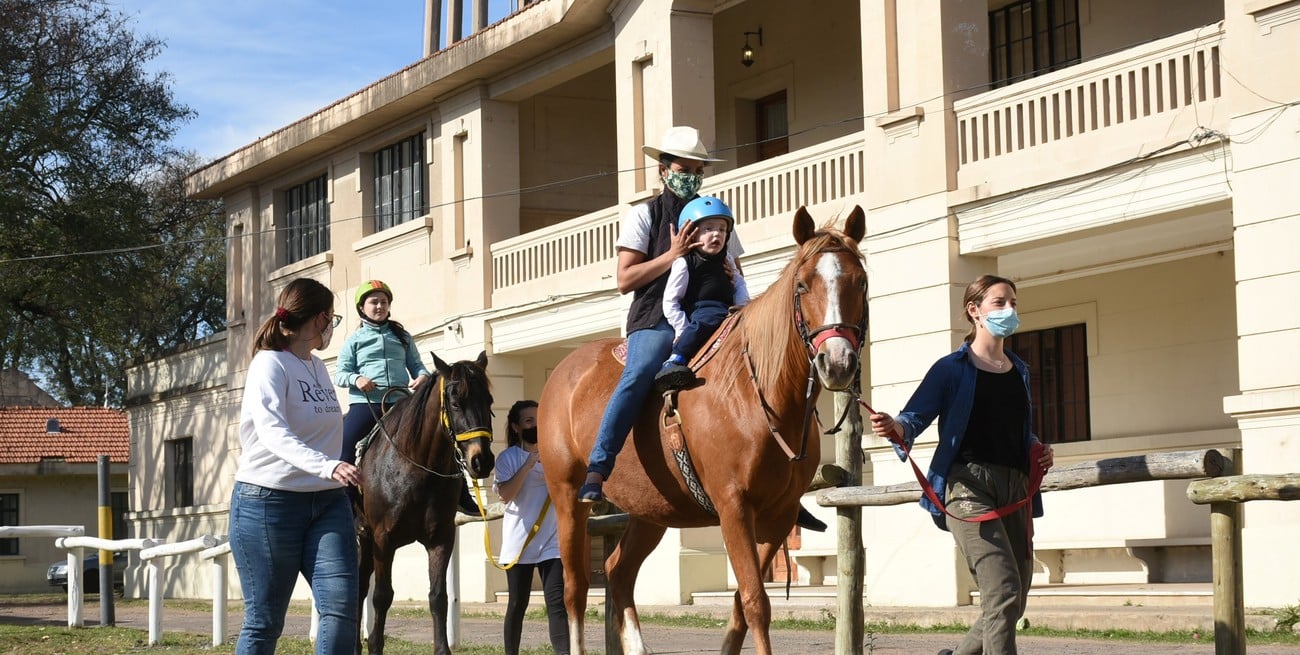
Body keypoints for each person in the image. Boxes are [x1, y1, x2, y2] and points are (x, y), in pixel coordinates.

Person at [578, 125, 826, 533]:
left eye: (698, 170)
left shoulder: (716, 216)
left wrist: (740, 300)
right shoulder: (645, 215)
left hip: (717, 316)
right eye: (683, 169)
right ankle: (599, 467)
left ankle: (787, 486)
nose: (691, 176)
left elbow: (736, 271)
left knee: (772, 370)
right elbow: (624, 279)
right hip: (659, 319)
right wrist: (672, 254)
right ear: (663, 170)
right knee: (639, 372)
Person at [868, 274, 1055, 655]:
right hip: (969, 489)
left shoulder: (1019, 369)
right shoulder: (951, 368)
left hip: (1015, 488)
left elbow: (1016, 429)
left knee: (1014, 598)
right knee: (1002, 590)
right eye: (999, 302)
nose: (1009, 310)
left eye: (1013, 303)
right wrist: (894, 427)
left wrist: (1037, 447)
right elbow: (913, 418)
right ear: (974, 310)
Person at [229, 277, 360, 655]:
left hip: (328, 502)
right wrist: (327, 466)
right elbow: (273, 431)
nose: (332, 327)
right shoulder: (268, 364)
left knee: (341, 609)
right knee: (265, 621)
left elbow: (322, 427)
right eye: (332, 318)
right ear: (320, 319)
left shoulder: (318, 367)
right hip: (268, 503)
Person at [333, 280, 479, 515]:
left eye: (384, 302)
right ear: (362, 308)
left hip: (401, 401)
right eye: (374, 302)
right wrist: (357, 379)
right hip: (366, 403)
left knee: (444, 433)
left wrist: (422, 376)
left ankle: (462, 493)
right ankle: (346, 504)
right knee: (345, 444)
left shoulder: (402, 336)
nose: (380, 306)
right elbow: (340, 374)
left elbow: (417, 365)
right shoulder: (354, 340)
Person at [493, 400, 569, 655]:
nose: (536, 425)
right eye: (529, 421)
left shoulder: (556, 454)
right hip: (519, 543)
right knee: (517, 604)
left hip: (552, 541)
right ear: (516, 427)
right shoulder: (508, 458)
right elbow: (505, 494)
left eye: (539, 419)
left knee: (556, 603)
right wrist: (528, 465)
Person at [655, 195, 749, 391]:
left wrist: (743, 306)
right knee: (707, 321)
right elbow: (671, 300)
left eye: (722, 229)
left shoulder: (727, 258)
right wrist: (682, 328)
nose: (716, 234)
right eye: (708, 229)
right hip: (704, 310)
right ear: (691, 233)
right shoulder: (685, 263)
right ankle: (675, 359)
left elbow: (739, 282)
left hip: (730, 309)